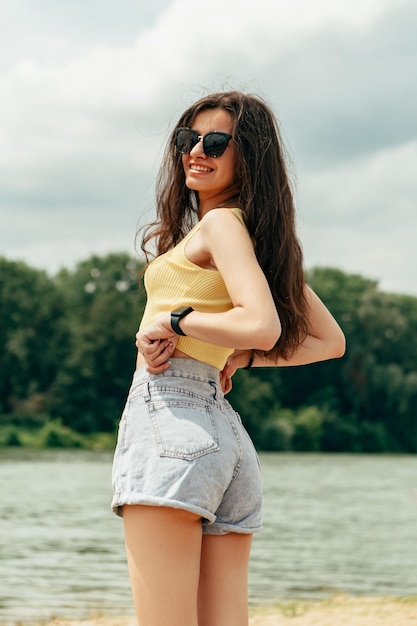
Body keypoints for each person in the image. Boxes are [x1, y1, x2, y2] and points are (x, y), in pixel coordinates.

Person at [111, 90, 345, 626]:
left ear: (250, 157)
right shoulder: (257, 243)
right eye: (187, 139)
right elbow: (329, 342)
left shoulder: (219, 226)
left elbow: (262, 325)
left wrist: (175, 321)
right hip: (227, 438)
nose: (196, 150)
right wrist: (240, 359)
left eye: (215, 141)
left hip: (171, 416)